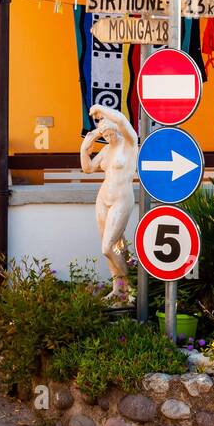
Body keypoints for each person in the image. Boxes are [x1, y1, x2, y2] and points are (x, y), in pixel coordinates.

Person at [80, 103, 139, 301]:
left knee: (107, 247)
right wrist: (84, 149)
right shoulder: (106, 150)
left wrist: (99, 108)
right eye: (103, 134)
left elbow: (122, 120)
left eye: (109, 132)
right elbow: (88, 169)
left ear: (115, 128)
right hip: (103, 198)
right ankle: (118, 288)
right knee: (117, 246)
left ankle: (128, 286)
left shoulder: (130, 143)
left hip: (122, 199)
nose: (107, 136)